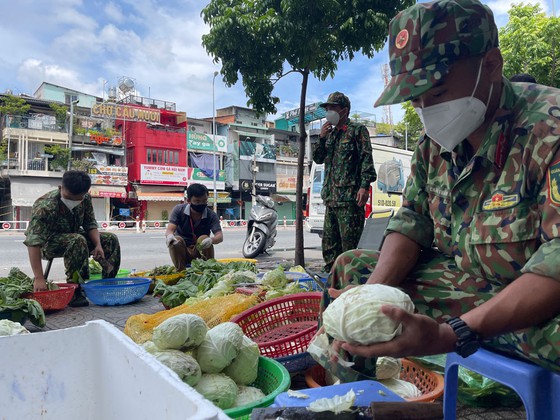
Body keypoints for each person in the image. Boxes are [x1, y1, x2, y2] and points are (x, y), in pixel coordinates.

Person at [321, 0, 560, 378]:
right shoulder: (434, 143)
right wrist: (370, 298)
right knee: (353, 272)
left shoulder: (550, 128)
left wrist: (452, 334)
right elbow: (413, 219)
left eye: (437, 92)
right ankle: (359, 392)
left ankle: (488, 382)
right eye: (414, 98)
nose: (425, 108)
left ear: (492, 65)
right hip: (470, 285)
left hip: (541, 296)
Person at [24, 170, 121, 307]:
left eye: (78, 198)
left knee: (110, 239)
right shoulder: (45, 206)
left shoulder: (85, 198)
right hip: (49, 244)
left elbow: (90, 223)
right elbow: (33, 242)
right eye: (69, 197)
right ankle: (75, 290)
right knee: (77, 240)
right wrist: (39, 278)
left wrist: (98, 245)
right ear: (61, 187)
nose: (73, 201)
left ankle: (108, 284)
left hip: (75, 237)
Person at [312, 91, 377, 272]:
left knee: (350, 248)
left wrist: (365, 186)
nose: (329, 111)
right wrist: (322, 137)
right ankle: (332, 280)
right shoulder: (330, 135)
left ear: (344, 110)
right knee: (330, 246)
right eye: (327, 108)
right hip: (331, 199)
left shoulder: (357, 130)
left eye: (332, 108)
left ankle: (351, 283)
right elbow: (317, 158)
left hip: (350, 200)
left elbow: (366, 158)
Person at [165, 183, 223, 270]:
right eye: (197, 201)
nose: (201, 204)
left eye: (204, 201)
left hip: (200, 250)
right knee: (176, 240)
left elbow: (220, 236)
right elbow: (170, 230)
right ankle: (181, 271)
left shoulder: (211, 215)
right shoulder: (179, 210)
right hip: (183, 251)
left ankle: (208, 270)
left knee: (203, 238)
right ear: (188, 201)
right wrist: (170, 236)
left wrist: (211, 240)